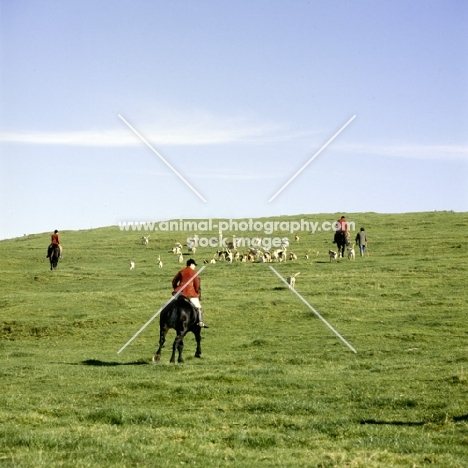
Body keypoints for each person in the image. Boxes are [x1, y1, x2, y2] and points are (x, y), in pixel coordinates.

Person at [172, 259, 209, 328]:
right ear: (191, 264)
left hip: (179, 293)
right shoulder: (194, 272)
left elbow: (174, 282)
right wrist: (197, 293)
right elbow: (197, 285)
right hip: (190, 293)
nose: (195, 266)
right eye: (194, 265)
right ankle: (200, 322)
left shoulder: (181, 271)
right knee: (198, 307)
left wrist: (177, 289)